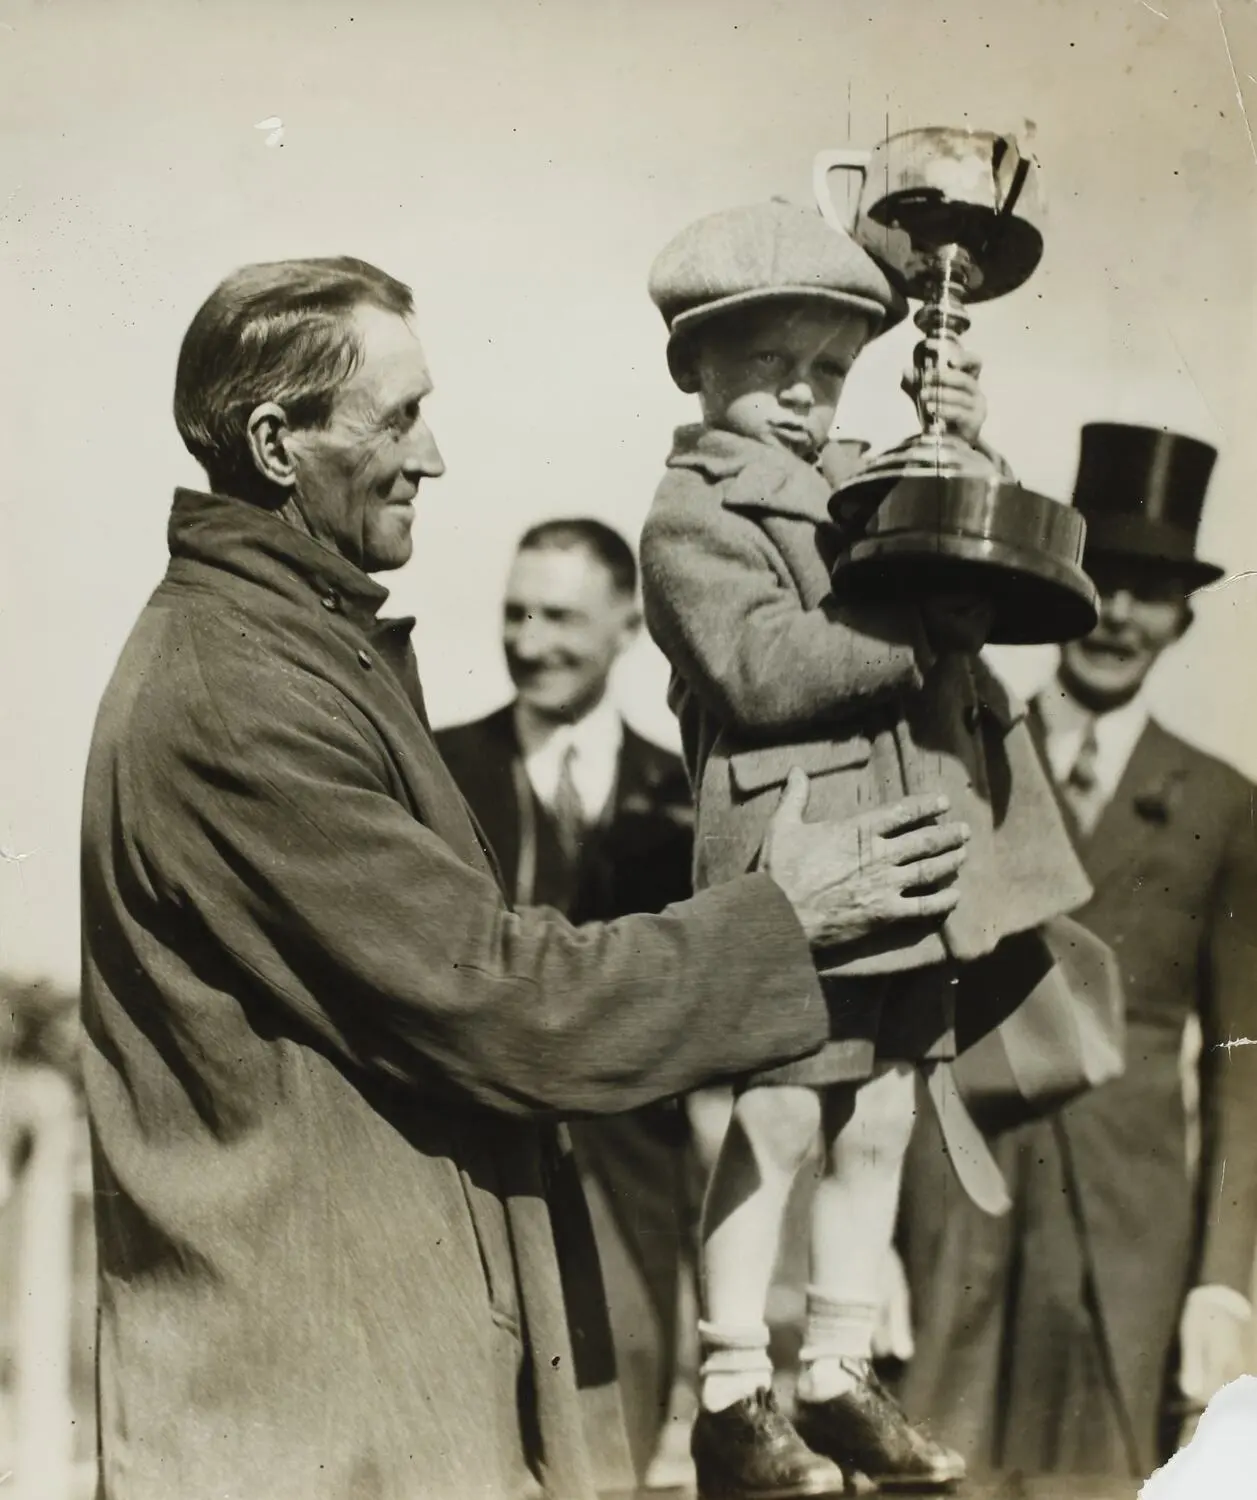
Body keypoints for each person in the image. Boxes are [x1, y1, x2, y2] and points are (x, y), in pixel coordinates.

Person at [79, 255, 975, 1500]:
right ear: (279, 444)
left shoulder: (285, 646)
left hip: (366, 1386)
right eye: (398, 418)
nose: (433, 455)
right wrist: (785, 918)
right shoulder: (239, 694)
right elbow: (501, 999)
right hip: (318, 1416)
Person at [639, 200, 1094, 1498]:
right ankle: (733, 1387)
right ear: (693, 371)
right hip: (802, 859)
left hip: (901, 852)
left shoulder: (851, 481)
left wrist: (958, 432)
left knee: (883, 1110)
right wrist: (920, 632)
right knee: (782, 1115)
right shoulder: (692, 514)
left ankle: (834, 1367)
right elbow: (761, 668)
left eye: (829, 372)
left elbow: (947, 528)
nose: (802, 396)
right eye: (769, 368)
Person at [894, 422, 1257, 1480]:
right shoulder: (965, 749)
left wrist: (1222, 1278)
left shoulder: (1226, 806)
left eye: (1153, 590)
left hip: (1125, 1233)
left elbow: (1243, 1062)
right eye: (1107, 581)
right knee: (934, 1459)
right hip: (958, 1187)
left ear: (1183, 616)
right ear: (1063, 591)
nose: (1124, 614)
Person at [436, 518, 696, 1479]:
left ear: (627, 624)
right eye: (514, 614)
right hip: (472, 1189)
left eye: (559, 617)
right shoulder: (437, 768)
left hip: (632, 1198)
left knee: (612, 1457)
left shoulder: (683, 792)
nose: (530, 641)